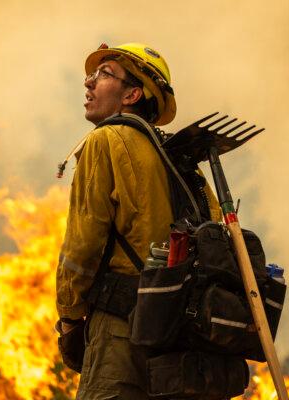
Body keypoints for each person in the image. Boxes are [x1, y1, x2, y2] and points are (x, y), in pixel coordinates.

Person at [55, 42, 219, 399]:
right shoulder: (182, 161)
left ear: (132, 94)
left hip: (120, 333)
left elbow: (83, 246)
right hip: (181, 337)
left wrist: (69, 318)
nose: (88, 82)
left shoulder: (104, 141)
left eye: (104, 74)